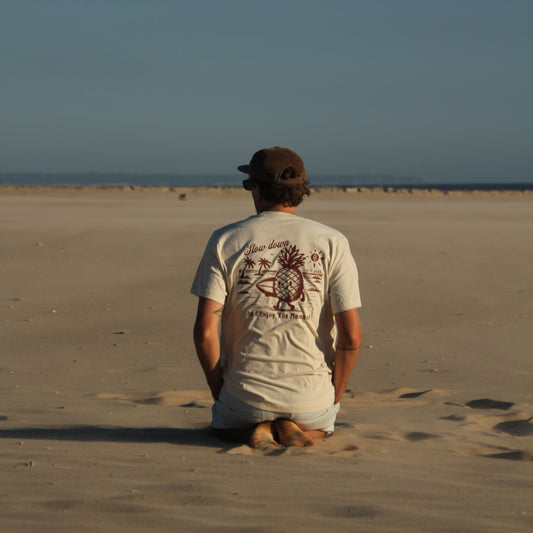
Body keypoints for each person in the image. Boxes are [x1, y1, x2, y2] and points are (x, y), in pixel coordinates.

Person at [191, 146, 362, 448]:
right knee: (321, 428)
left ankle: (253, 430)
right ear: (300, 191)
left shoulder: (226, 239)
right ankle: (299, 428)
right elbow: (351, 335)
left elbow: (205, 332)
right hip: (311, 398)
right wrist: (335, 393)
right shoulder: (332, 241)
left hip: (243, 397)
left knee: (223, 427)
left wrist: (219, 389)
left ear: (256, 189)